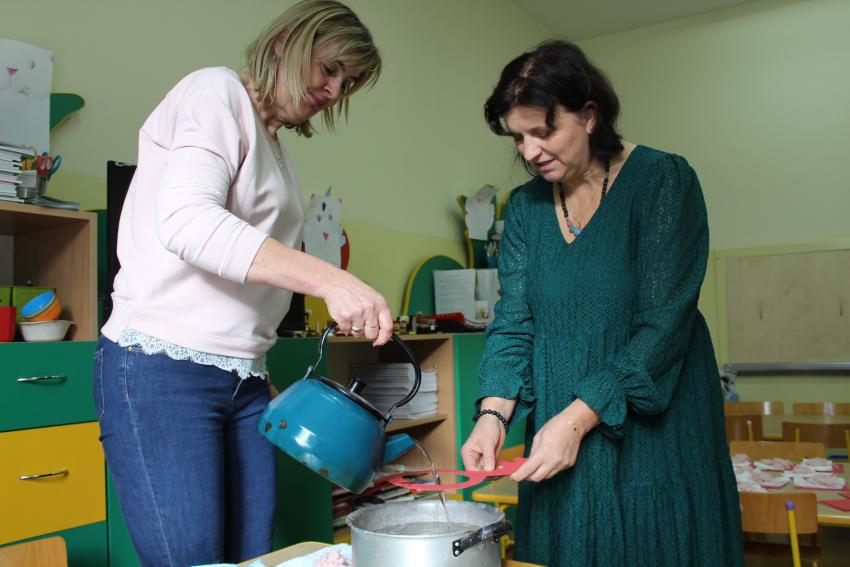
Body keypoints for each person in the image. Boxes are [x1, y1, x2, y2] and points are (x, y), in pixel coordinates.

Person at [94, 2, 389, 565]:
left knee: (256, 558)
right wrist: (331, 279)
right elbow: (188, 221)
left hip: (244, 379)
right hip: (162, 367)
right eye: (329, 69)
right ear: (285, 42)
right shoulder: (216, 92)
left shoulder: (276, 149)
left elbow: (245, 282)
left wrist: (255, 366)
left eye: (347, 83)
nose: (333, 91)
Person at [460, 40, 743, 566]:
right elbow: (515, 323)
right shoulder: (524, 208)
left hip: (652, 431)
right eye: (518, 137)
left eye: (543, 132)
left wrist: (576, 419)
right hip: (559, 422)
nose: (529, 152)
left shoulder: (663, 181)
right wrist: (493, 415)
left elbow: (664, 325)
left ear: (589, 116)